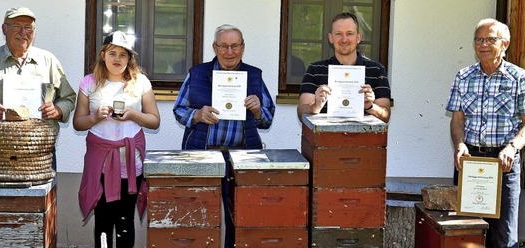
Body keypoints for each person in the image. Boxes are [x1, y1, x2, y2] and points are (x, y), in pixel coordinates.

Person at [172, 24, 275, 247]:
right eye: (224, 46)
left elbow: (267, 118)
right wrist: (197, 115)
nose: (230, 52)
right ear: (214, 47)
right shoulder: (198, 73)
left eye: (235, 46)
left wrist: (258, 110)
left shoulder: (254, 76)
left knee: (238, 216)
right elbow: (179, 109)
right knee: (198, 214)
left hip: (240, 158)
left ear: (243, 47)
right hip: (203, 154)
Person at [446, 18, 525, 248]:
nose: (483, 44)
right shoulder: (463, 76)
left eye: (490, 39)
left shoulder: (520, 78)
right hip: (470, 162)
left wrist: (512, 148)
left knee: (504, 236)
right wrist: (459, 145)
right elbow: (457, 120)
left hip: (503, 164)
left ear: (504, 44)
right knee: (468, 232)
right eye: (479, 39)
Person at [0, 7, 76, 170]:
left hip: (41, 153)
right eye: (17, 26)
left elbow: (68, 97)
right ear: (4, 29)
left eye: (28, 27)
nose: (23, 32)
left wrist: (58, 110)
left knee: (41, 196)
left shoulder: (50, 62)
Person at [74, 31, 160, 248]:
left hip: (130, 165)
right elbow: (78, 123)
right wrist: (95, 117)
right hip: (100, 164)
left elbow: (154, 120)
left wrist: (133, 115)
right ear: (103, 55)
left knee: (125, 220)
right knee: (102, 220)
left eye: (123, 55)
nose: (117, 59)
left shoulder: (140, 82)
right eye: (112, 53)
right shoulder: (89, 82)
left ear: (130, 58)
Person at [297, 12, 391, 123]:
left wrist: (370, 106)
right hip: (325, 138)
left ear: (358, 37)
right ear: (331, 38)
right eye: (338, 34)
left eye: (349, 33)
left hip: (364, 138)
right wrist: (315, 106)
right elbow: (301, 111)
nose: (344, 39)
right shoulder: (315, 70)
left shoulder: (377, 70)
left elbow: (385, 115)